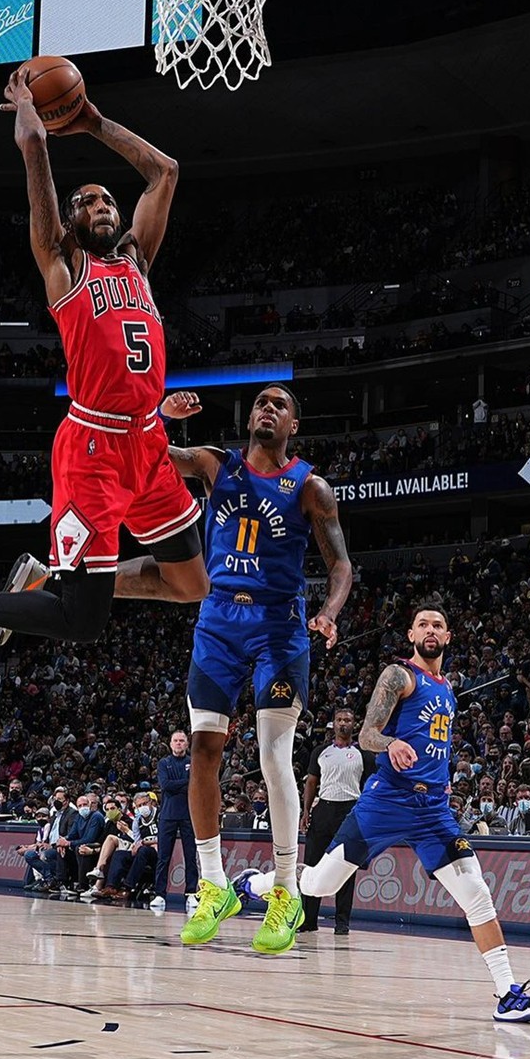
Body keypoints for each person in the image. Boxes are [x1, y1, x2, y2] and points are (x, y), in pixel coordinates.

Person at [0, 68, 209, 652]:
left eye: (108, 199)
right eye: (87, 202)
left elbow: (164, 172)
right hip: (93, 451)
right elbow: (37, 166)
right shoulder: (65, 268)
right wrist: (32, 129)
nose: (102, 205)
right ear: (71, 221)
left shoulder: (136, 263)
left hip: (148, 442)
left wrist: (93, 122)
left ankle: (47, 579)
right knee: (82, 623)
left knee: (192, 584)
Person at [248, 604, 530, 1022]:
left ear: (447, 637)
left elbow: (435, 744)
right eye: (422, 624)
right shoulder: (400, 675)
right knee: (321, 883)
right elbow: (366, 734)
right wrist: (390, 744)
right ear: (411, 635)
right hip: (386, 802)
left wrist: (443, 778)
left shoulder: (447, 690)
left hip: (432, 810)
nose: (430, 630)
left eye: (438, 625)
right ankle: (258, 882)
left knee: (476, 892)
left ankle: (507, 995)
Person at [170, 384, 353, 952]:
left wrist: (328, 612)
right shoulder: (214, 465)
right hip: (218, 622)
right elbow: (147, 453)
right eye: (260, 403)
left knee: (275, 756)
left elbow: (341, 565)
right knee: (204, 749)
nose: (267, 409)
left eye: (280, 405)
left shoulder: (310, 487)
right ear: (249, 417)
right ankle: (213, 884)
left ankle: (285, 891)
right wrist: (160, 416)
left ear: (293, 425)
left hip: (278, 626)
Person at [299, 707, 368, 936]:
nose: (343, 723)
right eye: (339, 719)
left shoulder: (363, 754)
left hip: (350, 811)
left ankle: (342, 922)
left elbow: (370, 786)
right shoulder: (321, 751)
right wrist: (306, 811)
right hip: (323, 809)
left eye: (347, 720)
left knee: (346, 868)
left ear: (354, 724)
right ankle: (308, 920)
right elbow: (311, 782)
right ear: (333, 724)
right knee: (312, 866)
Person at [150, 730, 199, 913]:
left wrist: (179, 784)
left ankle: (191, 892)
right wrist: (185, 782)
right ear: (170, 744)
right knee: (163, 856)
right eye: (176, 740)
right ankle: (160, 894)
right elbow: (165, 785)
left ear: (187, 743)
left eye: (182, 740)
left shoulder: (193, 762)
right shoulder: (164, 763)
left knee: (190, 855)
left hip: (188, 814)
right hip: (167, 814)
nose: (178, 743)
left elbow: (195, 784)